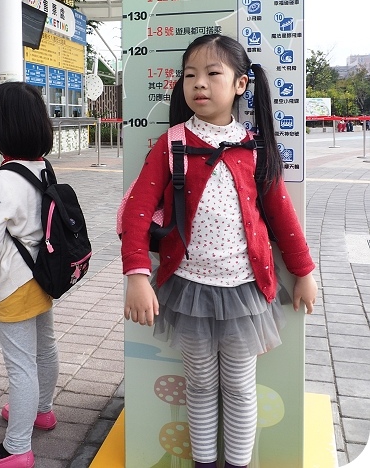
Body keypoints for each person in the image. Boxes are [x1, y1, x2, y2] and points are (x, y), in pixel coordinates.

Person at [120, 34, 317, 468]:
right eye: (190, 75)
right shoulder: (171, 144)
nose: (199, 84)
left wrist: (303, 271)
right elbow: (135, 214)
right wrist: (136, 274)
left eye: (212, 74)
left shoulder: (257, 147)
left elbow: (282, 216)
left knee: (241, 386)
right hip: (186, 292)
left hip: (245, 292)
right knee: (200, 385)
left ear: (241, 84)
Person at [0, 82, 59, 468]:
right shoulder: (43, 167)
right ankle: (43, 410)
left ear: (0, 128)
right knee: (45, 348)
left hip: (15, 283)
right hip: (44, 275)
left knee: (21, 365)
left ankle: (16, 449)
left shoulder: (3, 178)